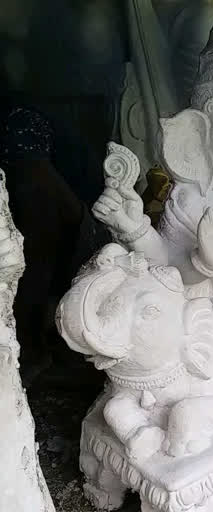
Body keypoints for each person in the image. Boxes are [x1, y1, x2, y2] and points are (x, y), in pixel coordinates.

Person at [0, 97, 108, 385]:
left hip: (81, 234)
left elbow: (37, 255)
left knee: (29, 260)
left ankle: (33, 349)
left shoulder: (22, 131)